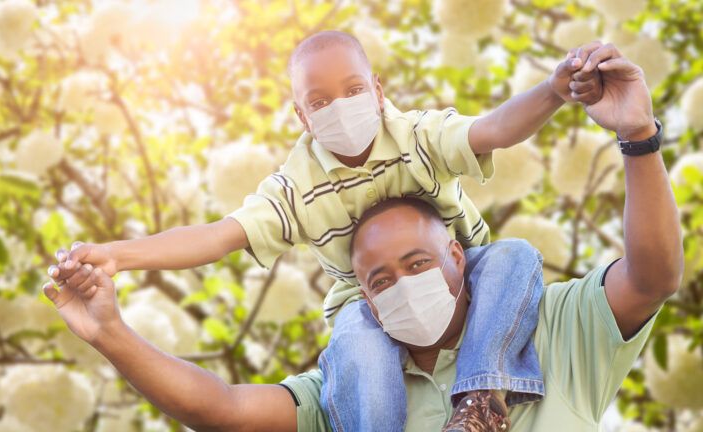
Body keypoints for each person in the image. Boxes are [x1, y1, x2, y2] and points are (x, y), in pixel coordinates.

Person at [44, 42, 683, 431]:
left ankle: (483, 398)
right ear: (299, 114)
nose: (405, 286)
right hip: (355, 325)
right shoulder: (355, 372)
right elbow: (221, 397)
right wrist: (115, 280)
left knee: (515, 255)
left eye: (417, 264)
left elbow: (493, 130)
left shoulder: (553, 328)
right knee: (352, 338)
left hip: (493, 280)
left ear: (378, 90)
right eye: (383, 279)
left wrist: (573, 101)